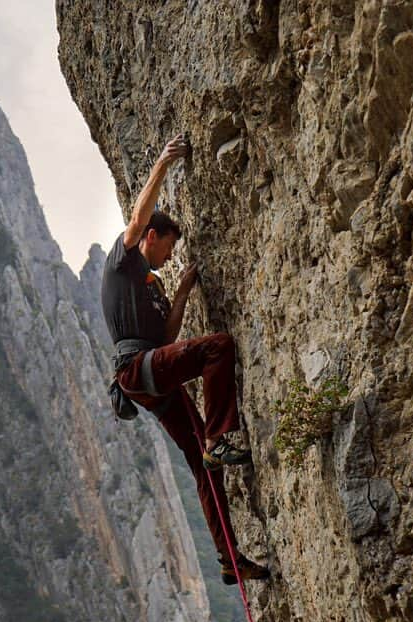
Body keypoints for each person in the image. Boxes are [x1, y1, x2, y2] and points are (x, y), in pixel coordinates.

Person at [101, 133, 270, 584]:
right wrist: (163, 162)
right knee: (218, 346)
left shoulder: (152, 285)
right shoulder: (126, 261)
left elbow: (169, 336)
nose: (168, 257)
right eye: (167, 248)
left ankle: (230, 560)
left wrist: (181, 292)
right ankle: (220, 436)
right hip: (139, 369)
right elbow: (138, 216)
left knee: (201, 465)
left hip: (152, 377)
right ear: (151, 238)